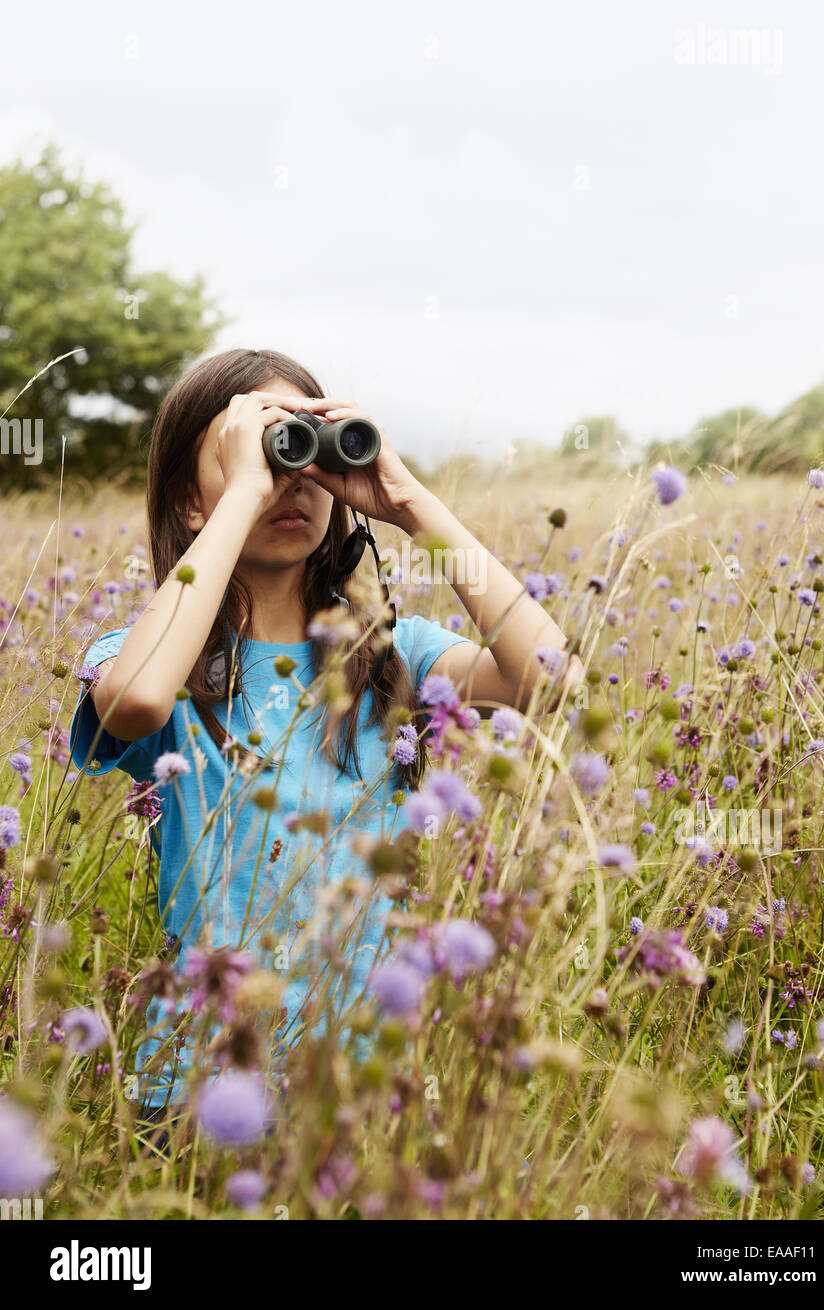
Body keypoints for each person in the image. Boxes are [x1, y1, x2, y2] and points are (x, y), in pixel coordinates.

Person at [70, 347, 580, 1115]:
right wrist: (244, 491)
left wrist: (409, 502)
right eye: (266, 452)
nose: (292, 482)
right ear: (189, 500)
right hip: (202, 1080)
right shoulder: (148, 656)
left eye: (307, 452)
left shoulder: (392, 656)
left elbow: (552, 680)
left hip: (368, 1081)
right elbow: (138, 700)